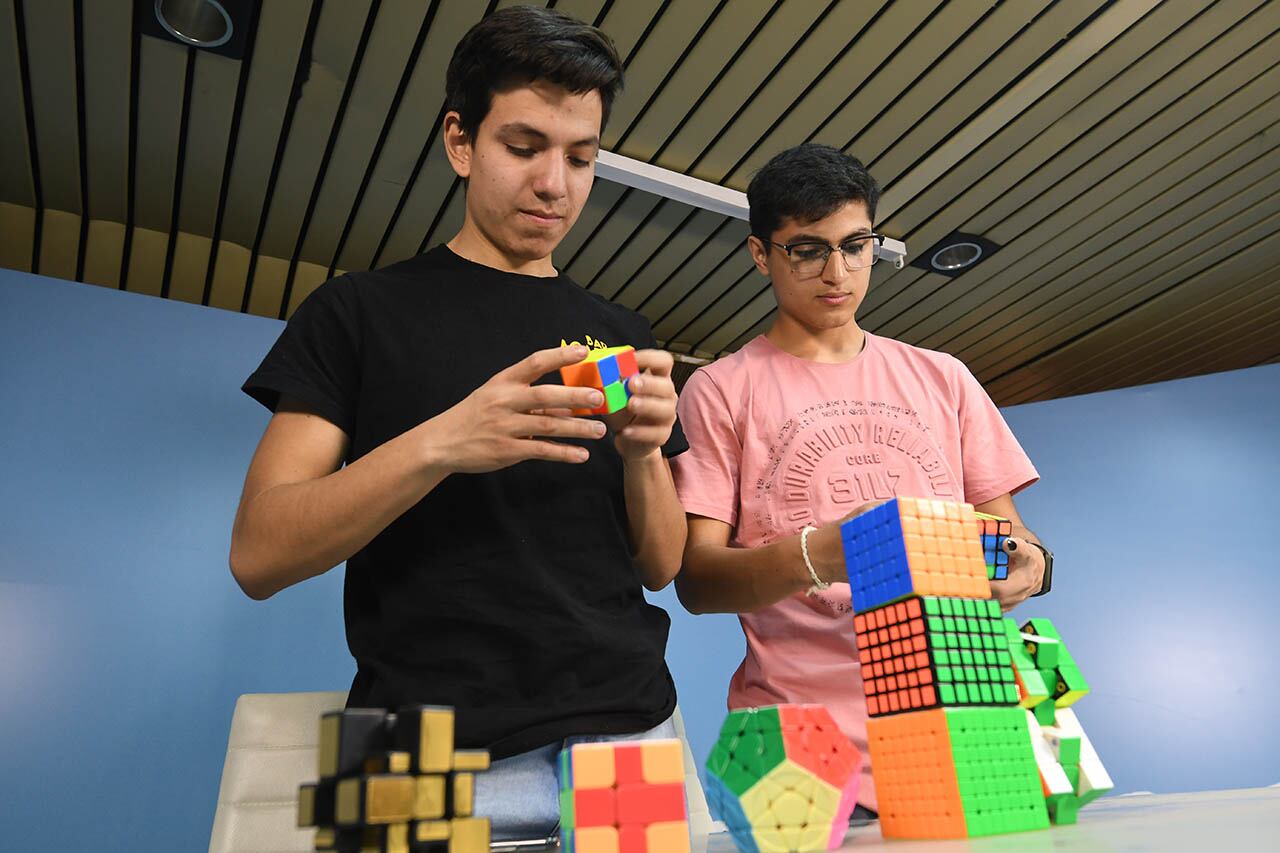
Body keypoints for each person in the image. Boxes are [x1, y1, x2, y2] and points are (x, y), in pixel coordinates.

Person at [228, 6, 687, 840]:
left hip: (629, 728)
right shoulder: (355, 312)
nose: (556, 184)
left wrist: (646, 454)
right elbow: (257, 554)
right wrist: (445, 441)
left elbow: (662, 566)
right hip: (406, 741)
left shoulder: (623, 334)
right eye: (524, 147)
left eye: (581, 157)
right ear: (460, 141)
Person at [670, 143, 1049, 817]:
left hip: (963, 732)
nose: (837, 271)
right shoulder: (719, 390)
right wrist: (826, 552)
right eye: (807, 250)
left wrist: (1032, 567)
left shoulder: (944, 377)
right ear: (761, 254)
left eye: (856, 244)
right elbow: (697, 581)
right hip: (799, 754)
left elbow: (1015, 540)